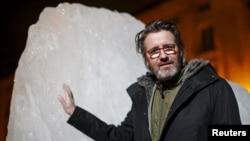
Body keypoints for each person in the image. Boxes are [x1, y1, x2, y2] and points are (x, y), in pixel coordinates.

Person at [58, 19, 241, 141]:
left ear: (181, 52)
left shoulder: (213, 88)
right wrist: (76, 113)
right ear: (147, 60)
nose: (162, 56)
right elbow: (119, 138)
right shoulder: (144, 98)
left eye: (169, 48)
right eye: (154, 51)